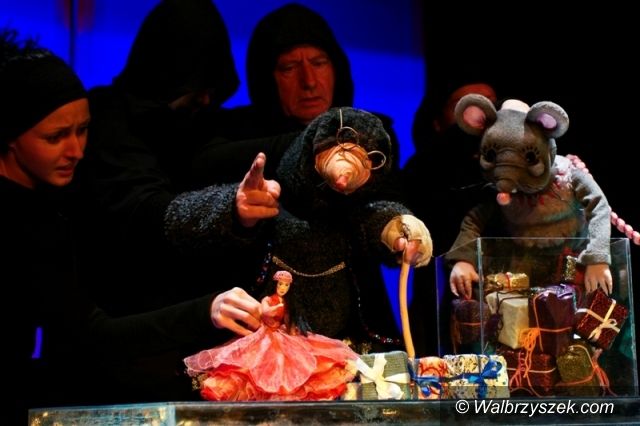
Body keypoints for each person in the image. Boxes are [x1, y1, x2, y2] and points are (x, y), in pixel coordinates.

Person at [0, 28, 279, 424]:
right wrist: (206, 311)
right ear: (9, 136)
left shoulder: (58, 197)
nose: (76, 150)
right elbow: (92, 334)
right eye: (55, 137)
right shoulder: (24, 223)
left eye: (83, 130)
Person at [192, 2, 401, 183]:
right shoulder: (230, 132)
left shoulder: (371, 133)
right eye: (289, 68)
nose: (309, 82)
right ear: (266, 80)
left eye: (318, 64)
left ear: (337, 69)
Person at [184, 270, 360, 401]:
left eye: (286, 285)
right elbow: (265, 311)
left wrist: (292, 330)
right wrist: (275, 309)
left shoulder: (287, 303)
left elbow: (288, 318)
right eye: (280, 284)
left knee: (293, 364)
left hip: (281, 333)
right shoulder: (268, 300)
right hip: (266, 332)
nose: (282, 288)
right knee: (256, 364)